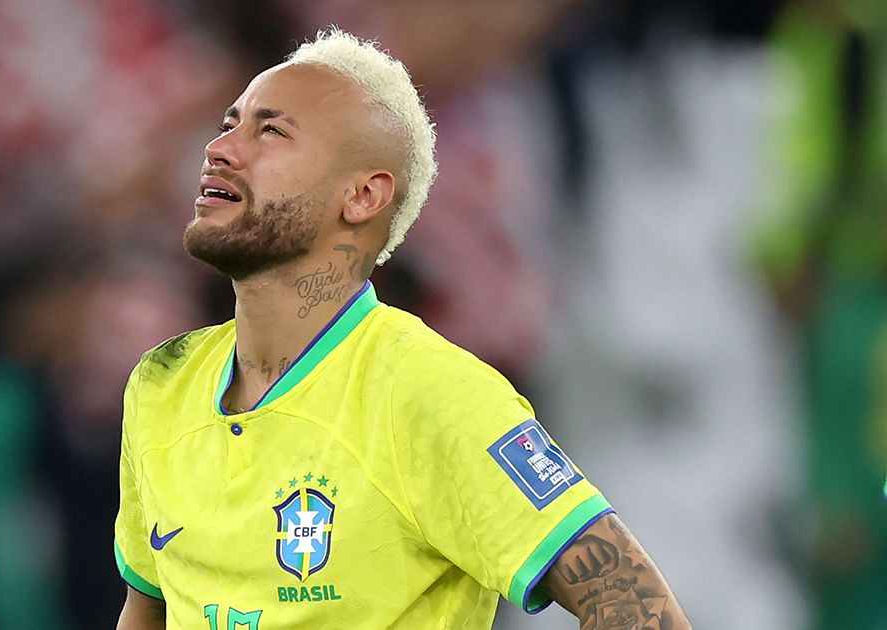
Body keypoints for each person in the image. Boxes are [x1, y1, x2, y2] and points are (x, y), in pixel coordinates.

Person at [114, 28, 690, 629]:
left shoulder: (429, 393)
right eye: (228, 124)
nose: (222, 148)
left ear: (362, 196)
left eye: (272, 131)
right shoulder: (161, 386)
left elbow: (633, 600)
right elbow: (146, 611)